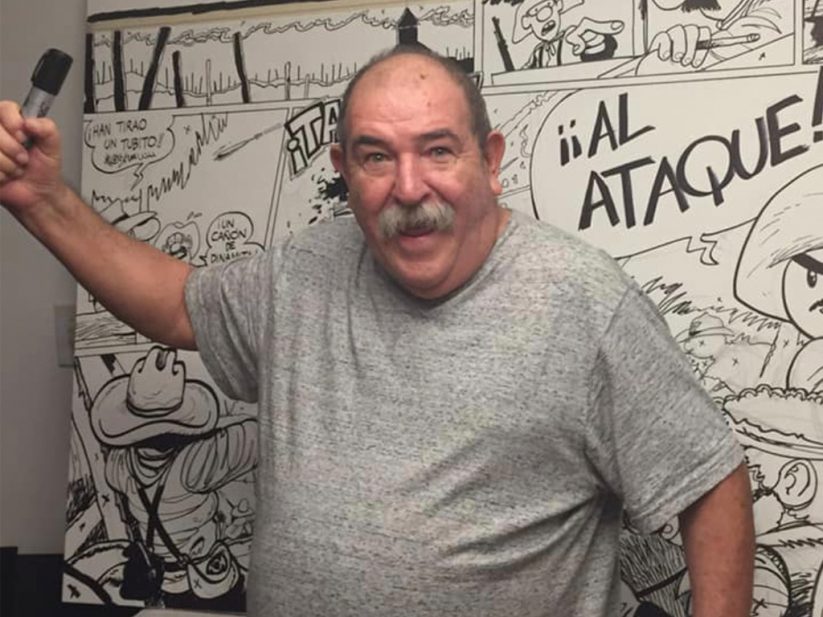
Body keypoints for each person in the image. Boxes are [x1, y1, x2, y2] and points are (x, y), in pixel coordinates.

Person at [0, 45, 754, 616]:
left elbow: (710, 481)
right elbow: (176, 305)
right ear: (343, 170)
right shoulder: (304, 269)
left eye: (437, 149)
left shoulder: (584, 302)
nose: (409, 187)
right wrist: (42, 200)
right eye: (375, 157)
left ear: (489, 161)